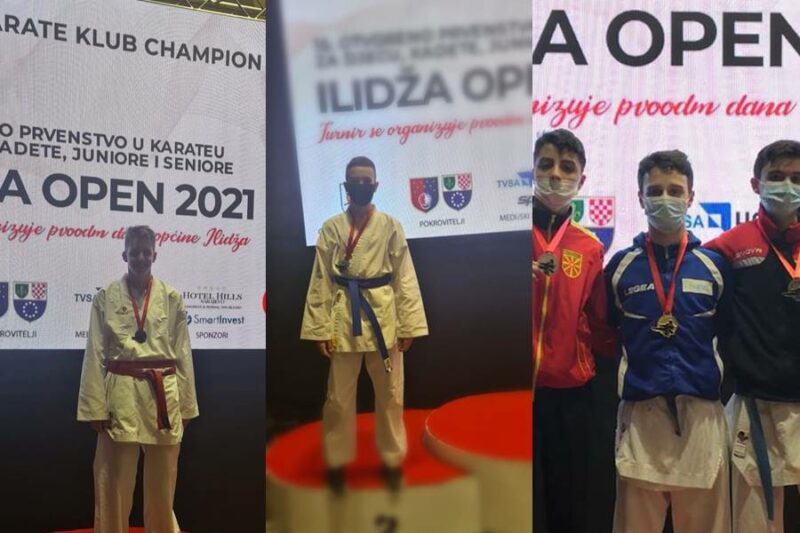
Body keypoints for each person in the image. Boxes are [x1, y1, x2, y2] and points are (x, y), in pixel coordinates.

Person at [605, 150, 731, 533]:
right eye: (655, 190)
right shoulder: (620, 268)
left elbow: (729, 334)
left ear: (691, 197)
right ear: (640, 198)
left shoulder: (714, 266)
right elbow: (607, 331)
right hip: (642, 416)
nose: (665, 199)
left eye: (675, 191)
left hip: (702, 415)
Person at [301, 156, 428, 493]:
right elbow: (321, 280)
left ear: (375, 185)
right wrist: (319, 329)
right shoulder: (331, 228)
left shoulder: (390, 226)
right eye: (354, 181)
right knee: (338, 398)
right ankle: (336, 462)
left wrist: (409, 325)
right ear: (346, 186)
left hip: (383, 316)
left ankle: (391, 461)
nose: (360, 186)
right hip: (344, 315)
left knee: (391, 395)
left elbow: (404, 277)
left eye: (366, 181)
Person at [705, 140, 800, 533]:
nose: (787, 186)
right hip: (755, 403)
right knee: (753, 524)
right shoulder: (729, 245)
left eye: (797, 178)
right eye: (776, 177)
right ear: (755, 184)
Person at [77, 225, 199, 533]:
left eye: (146, 253)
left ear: (155, 255)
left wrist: (186, 404)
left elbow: (183, 352)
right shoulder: (106, 297)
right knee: (113, 479)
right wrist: (95, 407)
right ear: (125, 255)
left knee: (164, 480)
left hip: (163, 392)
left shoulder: (171, 297)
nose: (141, 258)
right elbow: (95, 352)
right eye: (135, 253)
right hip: (121, 391)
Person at [532, 128, 615, 533]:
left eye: (567, 168)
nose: (555, 175)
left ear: (581, 180)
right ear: (532, 170)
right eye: (546, 165)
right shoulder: (508, 235)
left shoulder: (589, 246)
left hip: (570, 391)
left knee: (567, 495)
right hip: (516, 390)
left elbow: (598, 320)